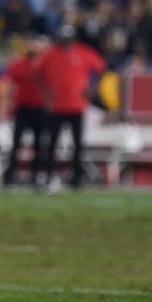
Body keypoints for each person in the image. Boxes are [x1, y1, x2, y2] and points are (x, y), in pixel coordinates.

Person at [35, 24, 105, 191]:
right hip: (57, 106)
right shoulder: (51, 53)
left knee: (78, 144)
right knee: (51, 144)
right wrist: (46, 92)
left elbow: (101, 67)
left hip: (76, 106)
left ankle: (76, 178)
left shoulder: (83, 52)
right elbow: (37, 72)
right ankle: (48, 175)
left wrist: (93, 87)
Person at [1, 35, 49, 187]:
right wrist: (5, 104)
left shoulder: (45, 64)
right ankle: (10, 175)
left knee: (39, 142)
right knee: (16, 143)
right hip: (22, 107)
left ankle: (37, 174)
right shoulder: (18, 64)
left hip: (40, 107)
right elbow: (8, 84)